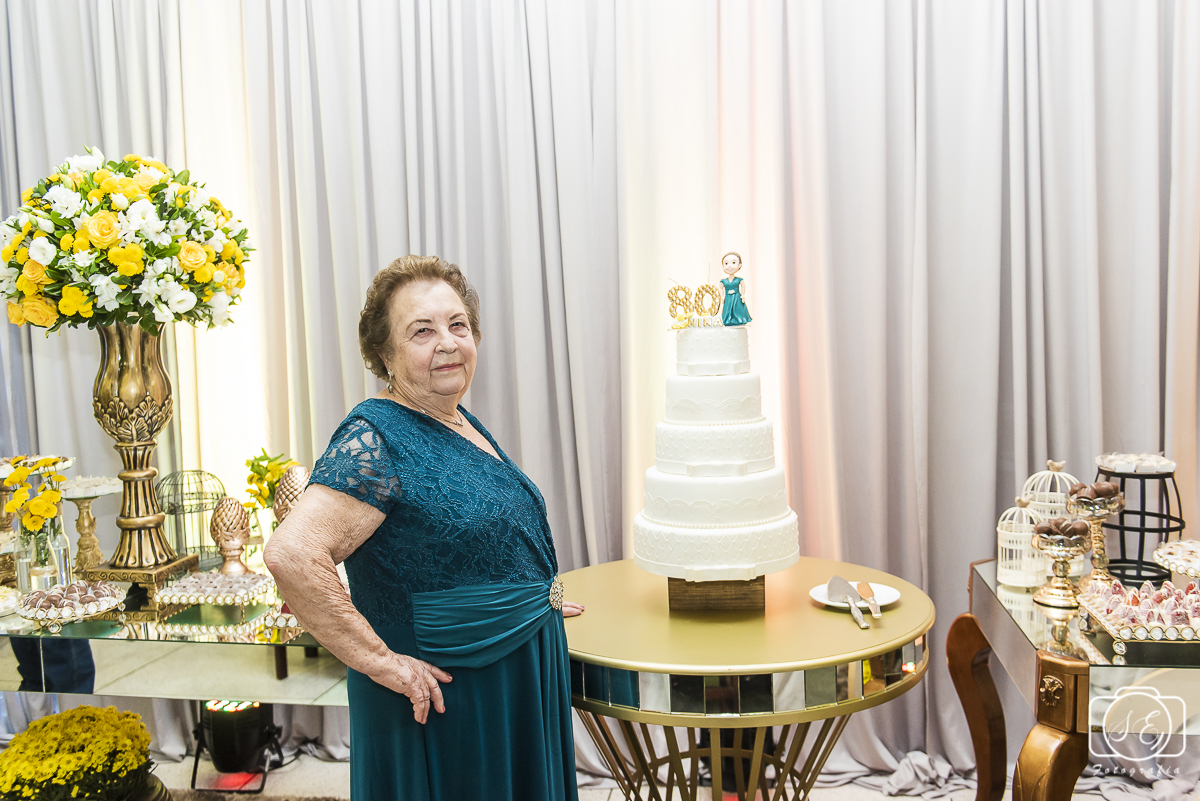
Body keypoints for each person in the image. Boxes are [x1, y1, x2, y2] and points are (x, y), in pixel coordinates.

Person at [264, 255, 583, 800]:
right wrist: (383, 663)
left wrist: (533, 600)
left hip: (509, 667)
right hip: (449, 694)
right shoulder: (374, 437)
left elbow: (469, 539)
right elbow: (291, 554)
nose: (448, 343)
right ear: (385, 355)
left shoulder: (454, 416)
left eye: (458, 325)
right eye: (422, 331)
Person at [720, 251, 752, 326]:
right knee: (727, 309)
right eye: (726, 263)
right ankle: (727, 320)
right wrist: (722, 296)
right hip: (728, 297)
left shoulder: (739, 280)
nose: (729, 266)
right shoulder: (723, 281)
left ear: (739, 265)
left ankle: (739, 319)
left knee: (737, 309)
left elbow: (743, 286)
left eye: (733, 263)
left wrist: (743, 295)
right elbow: (721, 288)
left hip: (737, 297)